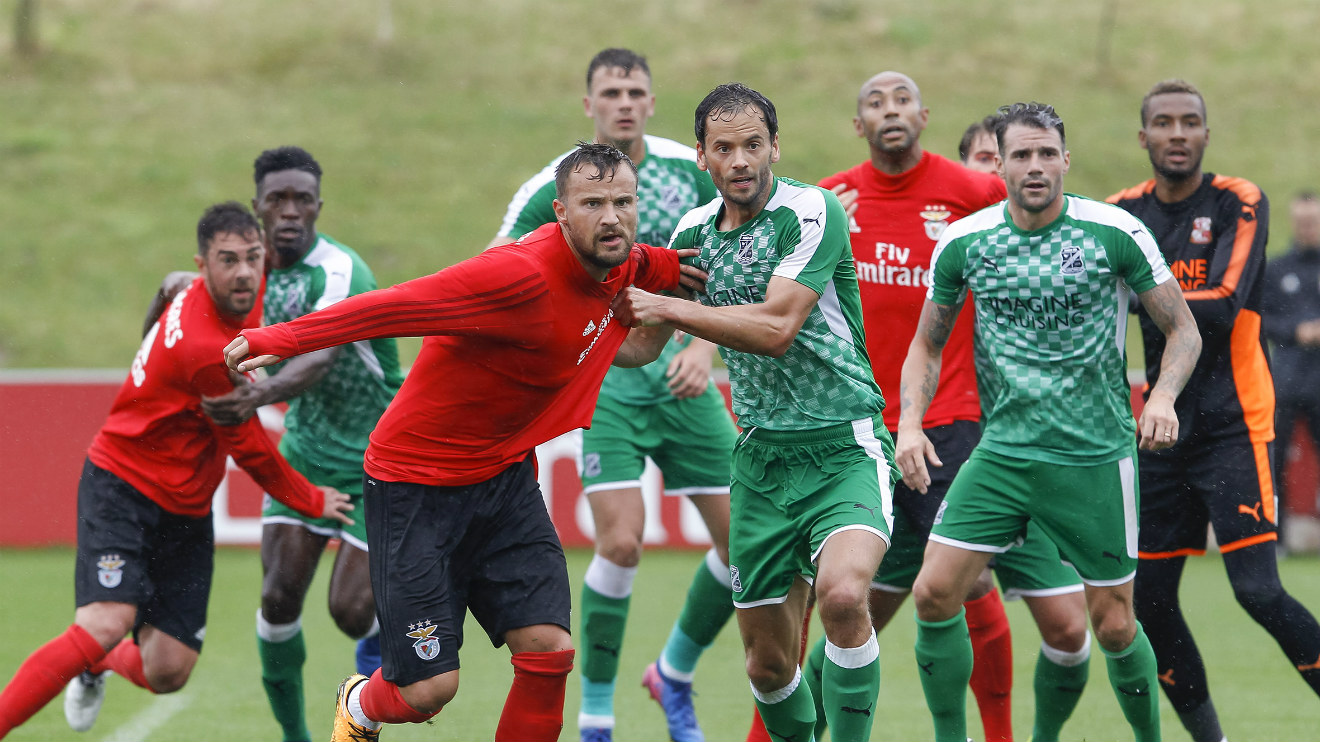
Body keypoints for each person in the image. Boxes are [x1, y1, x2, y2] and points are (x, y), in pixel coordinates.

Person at [224, 142, 703, 742]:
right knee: (428, 691)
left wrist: (706, 276)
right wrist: (282, 337)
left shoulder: (624, 261)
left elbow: (675, 268)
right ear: (559, 212)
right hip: (414, 485)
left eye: (623, 202)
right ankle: (362, 704)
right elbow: (394, 306)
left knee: (549, 650)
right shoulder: (515, 275)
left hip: (504, 480)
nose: (611, 217)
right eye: (593, 204)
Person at [898, 102, 1202, 742]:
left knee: (1113, 626)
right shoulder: (966, 241)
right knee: (933, 593)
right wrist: (910, 424)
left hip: (1094, 457)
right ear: (1000, 166)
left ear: (1065, 159)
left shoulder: (1113, 232)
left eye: (1045, 154)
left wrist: (1163, 397)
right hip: (1003, 455)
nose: (1034, 166)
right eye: (1020, 155)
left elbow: (1183, 330)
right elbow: (927, 343)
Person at [0, 202, 352, 740]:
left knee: (168, 671)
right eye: (228, 260)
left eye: (252, 257)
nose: (244, 272)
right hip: (123, 487)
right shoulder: (207, 350)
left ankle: (98, 664)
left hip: (185, 508)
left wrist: (168, 289)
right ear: (203, 265)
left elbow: (170, 292)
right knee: (106, 621)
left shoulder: (217, 291)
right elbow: (251, 450)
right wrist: (312, 500)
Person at [814, 73, 1091, 742]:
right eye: (875, 102)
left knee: (984, 591)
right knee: (843, 607)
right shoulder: (829, 202)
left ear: (923, 115)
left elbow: (1052, 223)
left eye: (902, 100)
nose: (890, 111)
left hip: (955, 424)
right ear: (858, 124)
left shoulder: (970, 191)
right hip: (857, 433)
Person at [613, 82, 893, 742]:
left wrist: (667, 305)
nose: (740, 160)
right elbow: (642, 346)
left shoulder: (811, 210)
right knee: (768, 666)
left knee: (844, 596)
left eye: (752, 144)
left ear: (774, 147)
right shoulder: (692, 234)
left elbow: (776, 328)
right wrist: (569, 323)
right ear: (703, 157)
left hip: (843, 446)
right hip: (762, 463)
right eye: (723, 148)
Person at [489, 49, 736, 742]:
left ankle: (672, 673)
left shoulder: (693, 171)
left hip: (684, 381)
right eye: (610, 93)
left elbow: (734, 256)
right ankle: (596, 716)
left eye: (634, 92)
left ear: (651, 103)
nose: (623, 103)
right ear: (589, 105)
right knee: (622, 543)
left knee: (748, 548)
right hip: (607, 387)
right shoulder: (553, 185)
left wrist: (703, 347)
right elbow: (498, 265)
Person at [1108, 79, 1320, 742]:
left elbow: (1226, 305)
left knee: (1257, 591)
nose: (1177, 133)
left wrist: (1138, 295)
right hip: (1160, 431)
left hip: (1235, 424)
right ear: (1143, 136)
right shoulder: (1120, 213)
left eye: (1189, 122)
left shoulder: (1238, 200)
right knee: (1148, 601)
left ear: (1205, 133)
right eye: (1163, 122)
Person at [1262, 191, 1320, 549]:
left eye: (1312, 222)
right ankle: (1277, 539)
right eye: (1301, 222)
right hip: (1284, 382)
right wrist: (1296, 331)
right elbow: (1262, 320)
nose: (1307, 228)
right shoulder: (1277, 269)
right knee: (1274, 460)